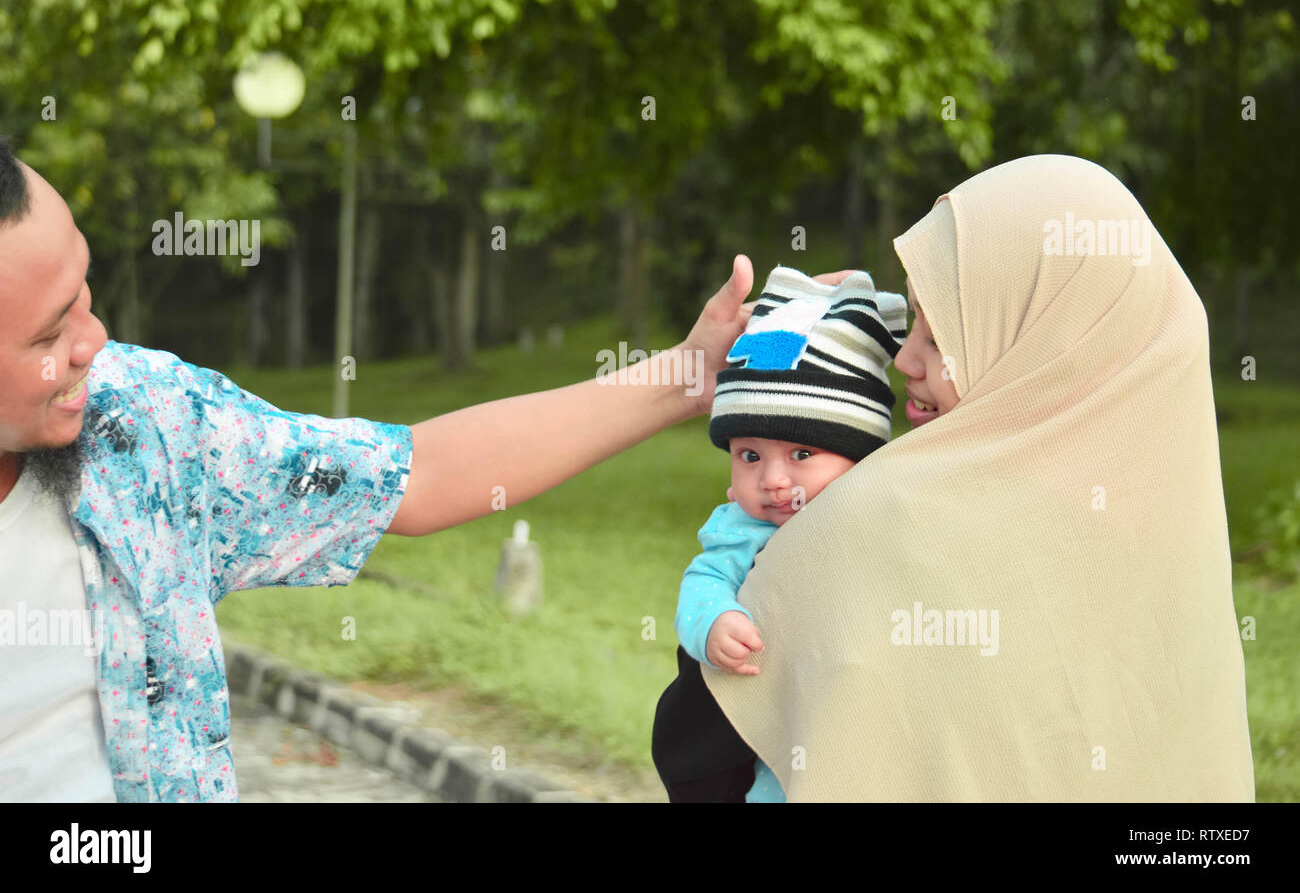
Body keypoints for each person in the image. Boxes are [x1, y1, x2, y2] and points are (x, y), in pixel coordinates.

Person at [0, 135, 858, 802]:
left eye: (87, 293)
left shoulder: (145, 426)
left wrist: (688, 375)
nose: (95, 342)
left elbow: (419, 474)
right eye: (49, 335)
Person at [700, 153, 1255, 801]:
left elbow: (704, 744)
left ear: (1040, 346)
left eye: (939, 340)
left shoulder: (881, 520)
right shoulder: (1170, 557)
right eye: (914, 325)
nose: (904, 358)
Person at [652, 265, 907, 802]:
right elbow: (704, 580)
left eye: (801, 454)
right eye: (749, 456)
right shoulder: (741, 530)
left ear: (860, 460)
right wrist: (715, 621)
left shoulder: (881, 522)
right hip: (771, 749)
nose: (771, 480)